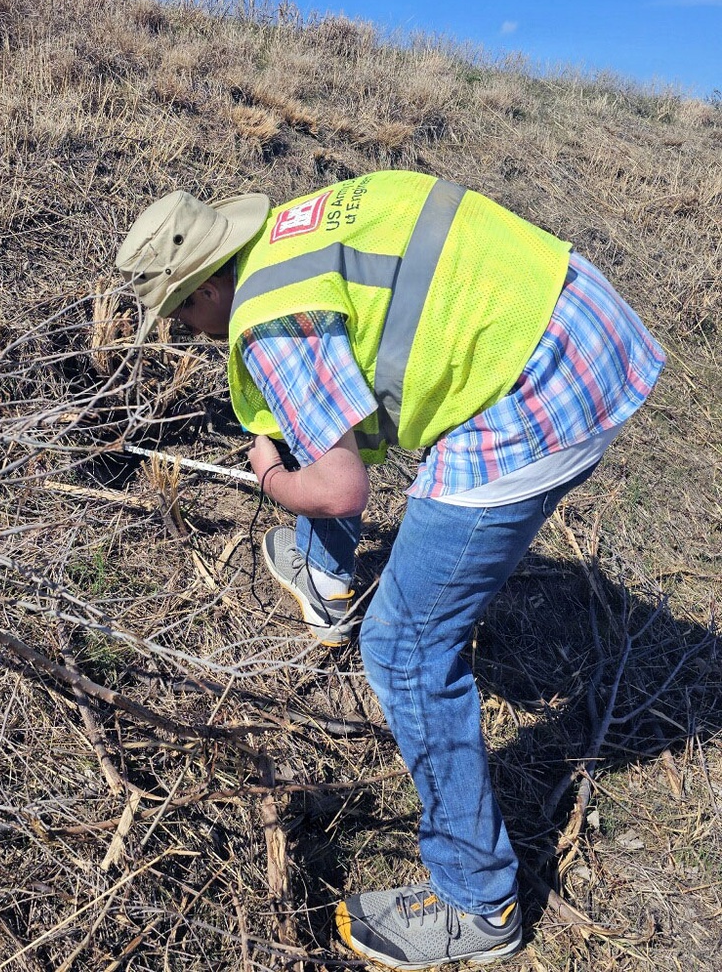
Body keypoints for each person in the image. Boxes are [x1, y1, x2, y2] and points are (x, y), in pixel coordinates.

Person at [115, 170, 665, 970]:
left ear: (203, 290)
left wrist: (271, 478)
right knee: (318, 434)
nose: (189, 334)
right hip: (584, 317)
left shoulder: (272, 323)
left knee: (404, 648)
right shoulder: (302, 232)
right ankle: (323, 578)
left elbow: (341, 487)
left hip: (538, 390)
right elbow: (345, 395)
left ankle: (477, 903)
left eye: (180, 316)